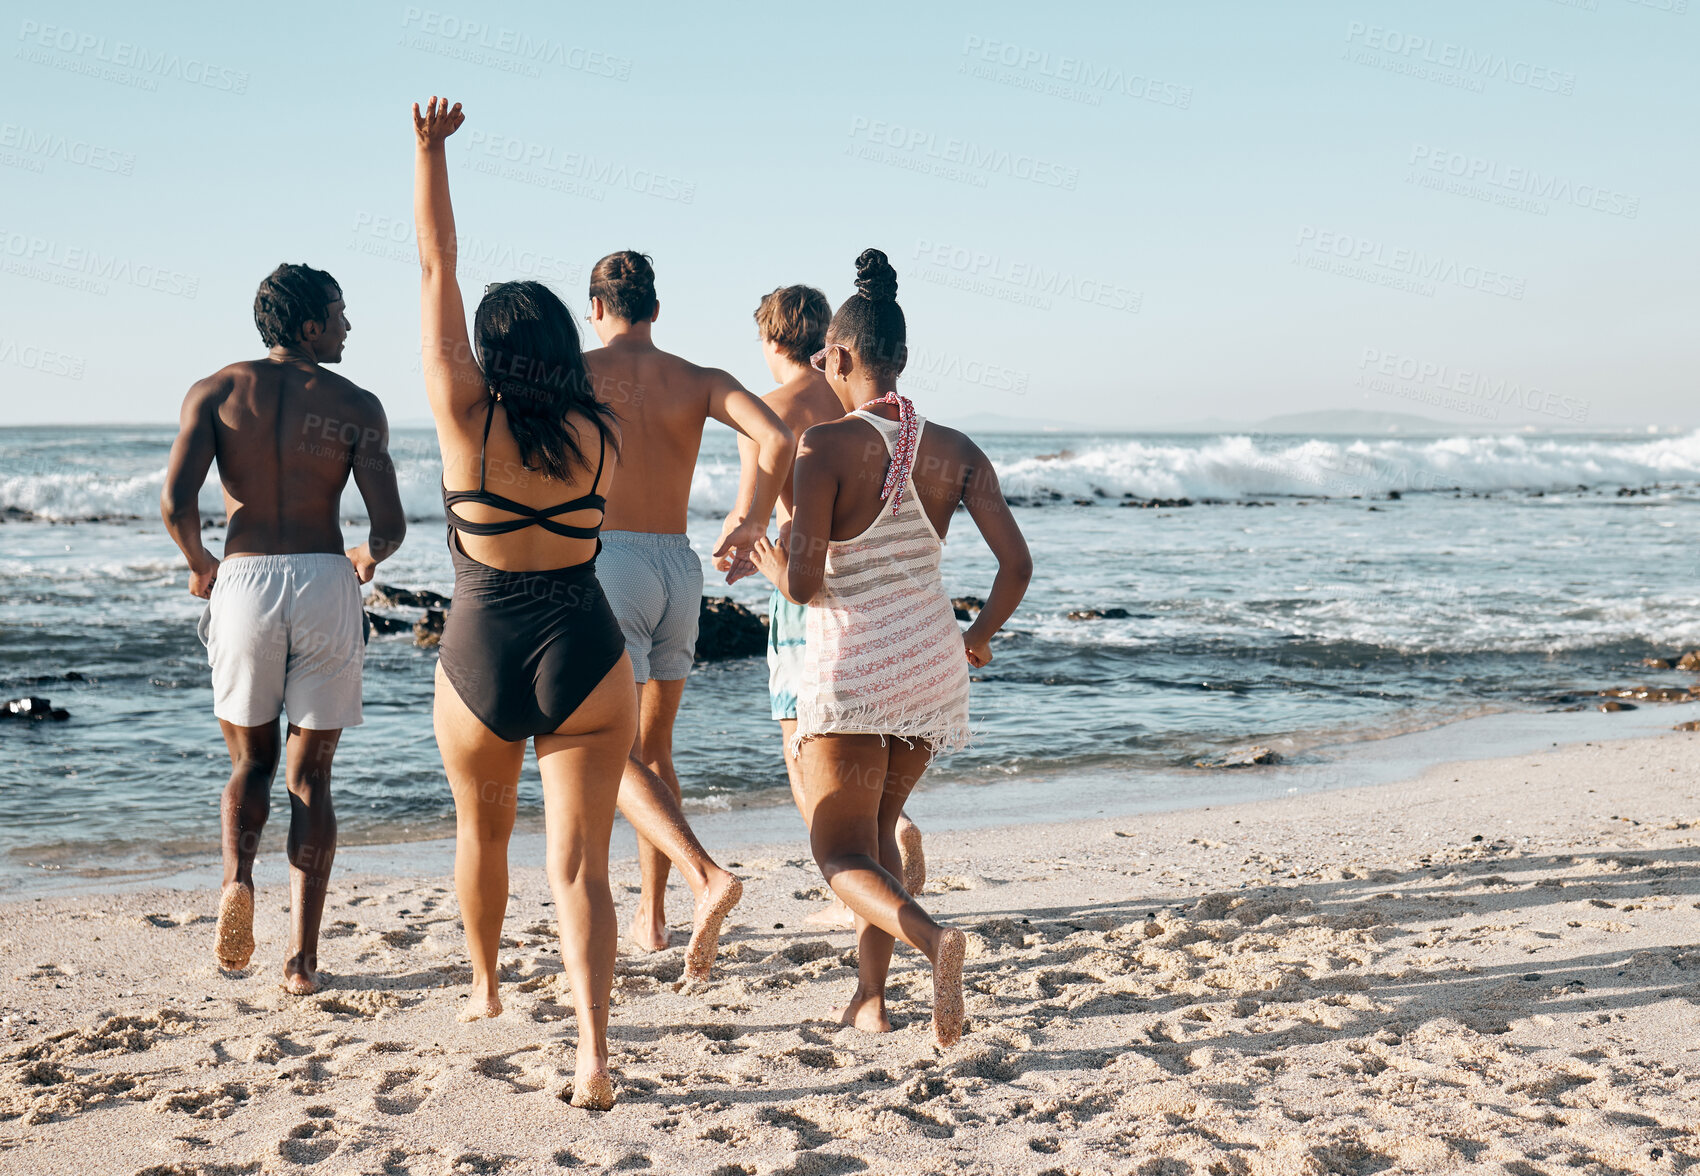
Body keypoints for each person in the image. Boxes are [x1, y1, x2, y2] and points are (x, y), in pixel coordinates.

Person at [750, 248, 1031, 1047]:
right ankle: (870, 1002)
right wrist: (978, 637)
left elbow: (805, 588)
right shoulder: (957, 449)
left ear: (837, 357)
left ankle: (933, 940)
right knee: (877, 840)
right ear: (901, 359)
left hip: (856, 664)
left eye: (825, 362)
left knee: (837, 851)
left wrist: (772, 564)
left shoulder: (824, 448)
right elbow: (1017, 566)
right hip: (931, 666)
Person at [412, 96, 631, 1110]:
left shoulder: (465, 418)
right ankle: (592, 1052)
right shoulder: (596, 430)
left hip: (479, 650)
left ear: (491, 355)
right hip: (586, 648)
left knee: (481, 835)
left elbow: (435, 270)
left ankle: (489, 986)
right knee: (581, 867)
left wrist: (429, 154)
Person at [161, 262, 406, 996]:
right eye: (338, 314)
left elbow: (177, 503)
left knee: (251, 763)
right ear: (308, 327)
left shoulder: (214, 391)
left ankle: (238, 879)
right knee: (313, 774)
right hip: (324, 580)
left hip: (244, 583)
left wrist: (202, 562)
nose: (348, 326)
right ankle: (302, 960)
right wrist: (366, 555)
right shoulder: (357, 404)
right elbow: (388, 526)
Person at [582, 251, 794, 961]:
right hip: (678, 567)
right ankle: (653, 916)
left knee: (602, 748)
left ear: (596, 308)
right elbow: (778, 438)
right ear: (656, 310)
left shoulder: (575, 372)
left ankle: (699, 880)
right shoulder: (698, 379)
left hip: (607, 560)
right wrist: (753, 520)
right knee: (654, 748)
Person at [725, 285, 925, 926]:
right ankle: (892, 833)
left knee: (803, 744)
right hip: (866, 586)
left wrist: (739, 541)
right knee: (866, 728)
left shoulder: (766, 411)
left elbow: (750, 511)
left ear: (769, 339)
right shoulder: (858, 406)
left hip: (801, 582)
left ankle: (854, 884)